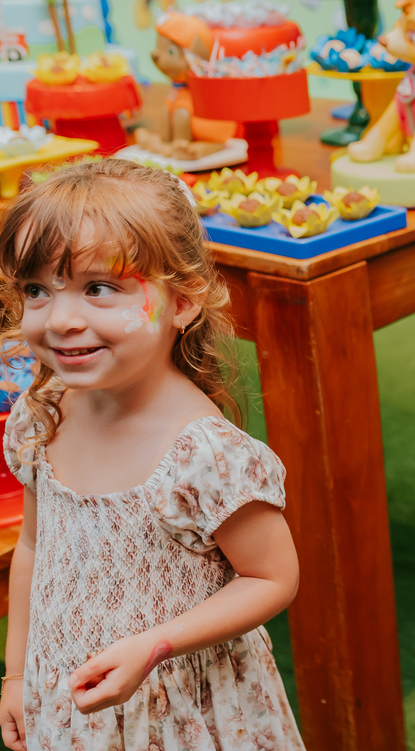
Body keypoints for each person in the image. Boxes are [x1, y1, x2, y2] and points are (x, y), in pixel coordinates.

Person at [0, 159, 304, 751]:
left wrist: (156, 644)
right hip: (69, 703)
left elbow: (272, 577)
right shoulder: (42, 417)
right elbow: (35, 548)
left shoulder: (204, 454)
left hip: (182, 714)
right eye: (38, 289)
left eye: (99, 288)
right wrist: (17, 675)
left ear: (184, 302)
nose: (61, 318)